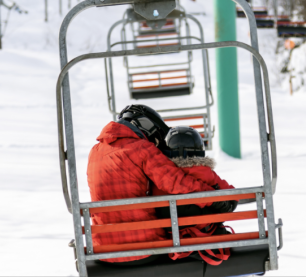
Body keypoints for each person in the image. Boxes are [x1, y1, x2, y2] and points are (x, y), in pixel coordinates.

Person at [86, 105, 233, 265]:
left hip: (103, 250)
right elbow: (176, 182)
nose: (155, 143)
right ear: (147, 128)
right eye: (155, 137)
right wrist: (214, 199)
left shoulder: (95, 152)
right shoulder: (141, 148)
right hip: (145, 247)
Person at [152, 126, 238, 265]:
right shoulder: (205, 173)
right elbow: (232, 195)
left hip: (170, 239)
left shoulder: (159, 178)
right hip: (204, 235)